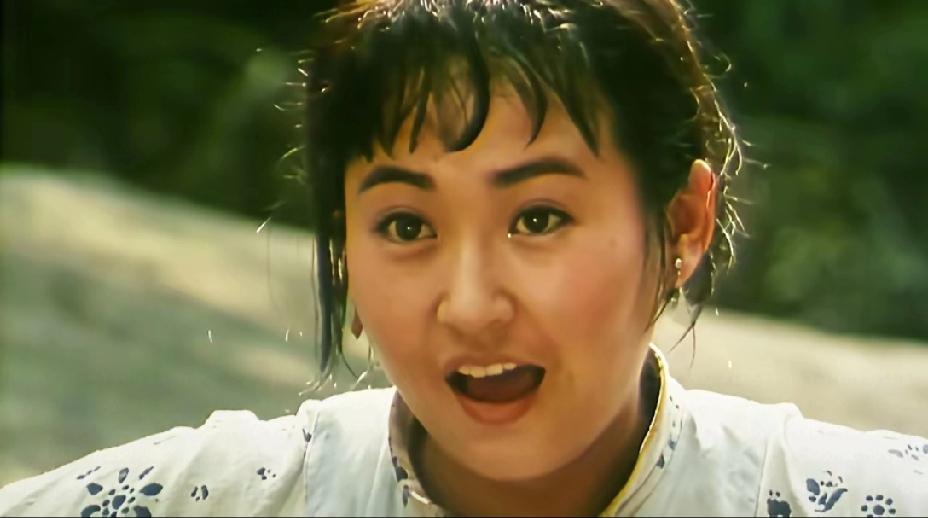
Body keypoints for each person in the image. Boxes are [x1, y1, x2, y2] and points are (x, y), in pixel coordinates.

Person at [2, 0, 926, 516]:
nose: (472, 306)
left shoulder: (845, 500)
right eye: (407, 226)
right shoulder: (217, 500)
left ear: (682, 223)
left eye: (539, 217)